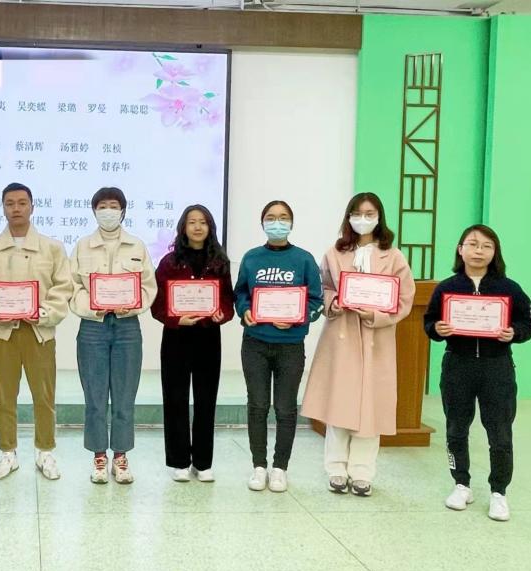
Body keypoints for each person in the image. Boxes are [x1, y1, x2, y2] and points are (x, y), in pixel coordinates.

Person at [300, 192, 415, 497]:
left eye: (369, 214)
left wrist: (377, 315)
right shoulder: (335, 253)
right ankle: (336, 468)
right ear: (348, 217)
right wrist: (333, 303)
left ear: (379, 218)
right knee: (339, 401)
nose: (363, 219)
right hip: (342, 336)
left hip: (376, 338)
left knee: (370, 406)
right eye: (357, 213)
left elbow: (405, 298)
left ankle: (363, 471)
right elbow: (323, 287)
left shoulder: (394, 256)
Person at [424, 224, 531, 521]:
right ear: (460, 250)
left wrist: (514, 333)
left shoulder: (509, 288)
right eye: (472, 244)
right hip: (457, 366)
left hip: (496, 367)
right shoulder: (446, 288)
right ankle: (461, 484)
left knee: (500, 433)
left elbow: (529, 324)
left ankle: (499, 492)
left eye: (487, 246)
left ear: (495, 252)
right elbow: (429, 322)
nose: (479, 251)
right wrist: (437, 329)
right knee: (455, 429)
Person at [0, 182, 74, 480]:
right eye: (10, 203)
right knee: (5, 395)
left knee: (44, 395)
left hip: (39, 333)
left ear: (32, 206)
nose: (16, 208)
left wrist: (43, 313)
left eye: (21, 203)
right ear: (2, 208)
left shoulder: (52, 247)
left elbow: (63, 287)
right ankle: (8, 452)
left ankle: (45, 450)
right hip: (3, 334)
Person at [233, 200, 323, 493]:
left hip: (290, 346)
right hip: (255, 343)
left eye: (283, 217)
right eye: (271, 217)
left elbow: (316, 301)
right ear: (262, 223)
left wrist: (298, 318)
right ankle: (259, 466)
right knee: (257, 405)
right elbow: (240, 293)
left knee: (285, 408)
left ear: (292, 223)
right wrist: (244, 310)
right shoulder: (252, 258)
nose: (277, 222)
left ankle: (280, 467)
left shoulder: (304, 259)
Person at [69, 187, 157, 484]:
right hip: (92, 327)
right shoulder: (82, 246)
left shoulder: (137, 246)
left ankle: (120, 455)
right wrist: (94, 306)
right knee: (94, 397)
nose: (108, 211)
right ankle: (98, 456)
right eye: (103, 206)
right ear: (95, 211)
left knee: (124, 396)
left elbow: (148, 287)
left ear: (123, 211)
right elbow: (73, 287)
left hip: (127, 327)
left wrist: (131, 305)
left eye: (114, 206)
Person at [150, 204, 235, 483]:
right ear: (183, 228)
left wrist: (222, 314)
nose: (198, 227)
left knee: (206, 400)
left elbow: (228, 300)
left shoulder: (220, 261)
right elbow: (157, 304)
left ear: (210, 227)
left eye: (203, 222)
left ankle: (202, 462)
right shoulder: (169, 262)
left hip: (208, 337)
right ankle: (179, 461)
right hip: (176, 336)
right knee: (175, 398)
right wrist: (176, 319)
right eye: (192, 222)